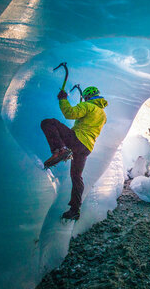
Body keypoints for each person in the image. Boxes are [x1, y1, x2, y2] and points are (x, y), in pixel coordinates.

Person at [40, 86, 108, 220]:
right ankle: (75, 210)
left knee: (49, 123)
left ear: (88, 97)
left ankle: (59, 150)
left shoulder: (89, 106)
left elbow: (69, 113)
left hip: (77, 140)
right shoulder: (103, 114)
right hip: (86, 148)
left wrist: (63, 99)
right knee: (77, 177)